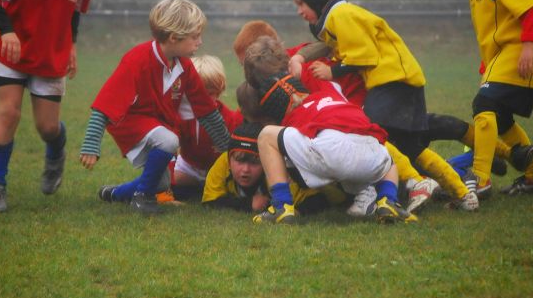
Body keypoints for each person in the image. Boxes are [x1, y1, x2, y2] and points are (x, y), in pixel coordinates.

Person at [288, 0, 478, 211]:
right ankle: (462, 193)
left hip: (392, 80)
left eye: (300, 3)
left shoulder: (341, 15)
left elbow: (364, 56)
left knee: (369, 133)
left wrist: (332, 71)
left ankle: (414, 183)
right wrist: (300, 57)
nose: (299, 11)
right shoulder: (338, 17)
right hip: (402, 79)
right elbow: (329, 45)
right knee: (409, 146)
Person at [79, 0, 230, 215]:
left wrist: (227, 146)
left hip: (157, 128)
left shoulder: (184, 66)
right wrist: (91, 145)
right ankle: (142, 198)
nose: (200, 42)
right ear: (173, 37)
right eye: (195, 37)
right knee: (169, 140)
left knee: (160, 183)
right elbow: (105, 103)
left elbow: (206, 109)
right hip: (130, 124)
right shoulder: (136, 60)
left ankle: (114, 194)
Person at [243, 44, 418, 223]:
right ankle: (388, 201)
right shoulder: (329, 88)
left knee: (267, 137)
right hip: (371, 148)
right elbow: (325, 47)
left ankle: (281, 206)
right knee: (389, 161)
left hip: (330, 148)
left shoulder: (292, 115)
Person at [0, 0, 94, 212]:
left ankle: (56, 152)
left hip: (51, 53)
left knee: (47, 127)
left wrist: (71, 45)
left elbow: (73, 8)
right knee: (8, 113)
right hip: (12, 50)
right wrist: (6, 31)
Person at [463, 0, 533, 195]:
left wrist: (530, 46)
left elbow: (532, 7)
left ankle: (480, 180)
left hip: (521, 49)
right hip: (505, 55)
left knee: (484, 103)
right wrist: (486, 69)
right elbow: (492, 35)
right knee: (500, 116)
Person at [203, 120, 334, 214]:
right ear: (229, 158)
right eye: (239, 161)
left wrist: (297, 212)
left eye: (254, 163)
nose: (245, 170)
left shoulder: (279, 170)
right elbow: (210, 201)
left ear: (266, 160)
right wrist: (249, 204)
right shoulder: (223, 162)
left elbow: (317, 200)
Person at [172, 54, 243, 200]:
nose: (203, 100)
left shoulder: (228, 117)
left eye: (209, 94)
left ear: (219, 90)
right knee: (166, 182)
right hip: (189, 167)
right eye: (197, 94)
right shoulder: (183, 116)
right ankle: (118, 191)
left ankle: (204, 189)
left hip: (218, 169)